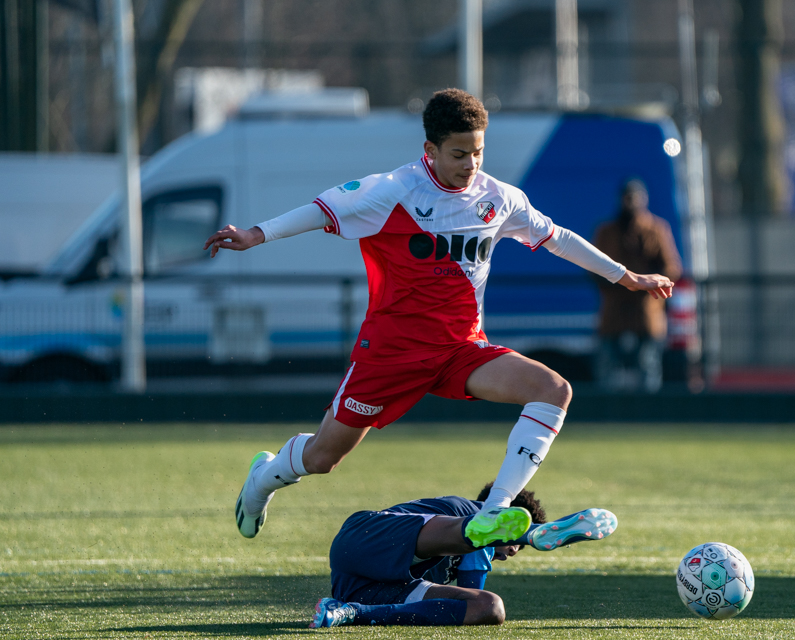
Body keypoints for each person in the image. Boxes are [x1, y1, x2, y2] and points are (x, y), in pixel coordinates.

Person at [203, 88, 673, 545]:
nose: (471, 164)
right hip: (391, 354)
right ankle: (263, 479)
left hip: (460, 349)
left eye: (478, 152)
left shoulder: (499, 198)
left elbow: (558, 237)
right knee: (325, 456)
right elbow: (318, 211)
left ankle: (494, 511)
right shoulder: (391, 191)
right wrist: (255, 235)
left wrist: (626, 276)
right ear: (430, 150)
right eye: (458, 154)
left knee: (553, 390)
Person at [308, 484, 618, 628]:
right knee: (473, 537)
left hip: (359, 584)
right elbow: (473, 581)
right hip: (366, 534)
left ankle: (350, 613)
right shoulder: (466, 509)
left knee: (490, 607)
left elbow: (478, 600)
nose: (510, 555)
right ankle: (533, 532)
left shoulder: (462, 554)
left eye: (517, 546)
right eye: (514, 547)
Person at [593, 178, 682, 393]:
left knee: (647, 365)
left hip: (647, 311)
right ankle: (608, 415)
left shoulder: (657, 229)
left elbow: (672, 268)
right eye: (627, 198)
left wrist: (648, 283)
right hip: (614, 311)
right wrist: (621, 284)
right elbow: (593, 269)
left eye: (635, 198)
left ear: (644, 199)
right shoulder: (607, 232)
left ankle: (647, 417)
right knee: (608, 366)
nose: (630, 203)